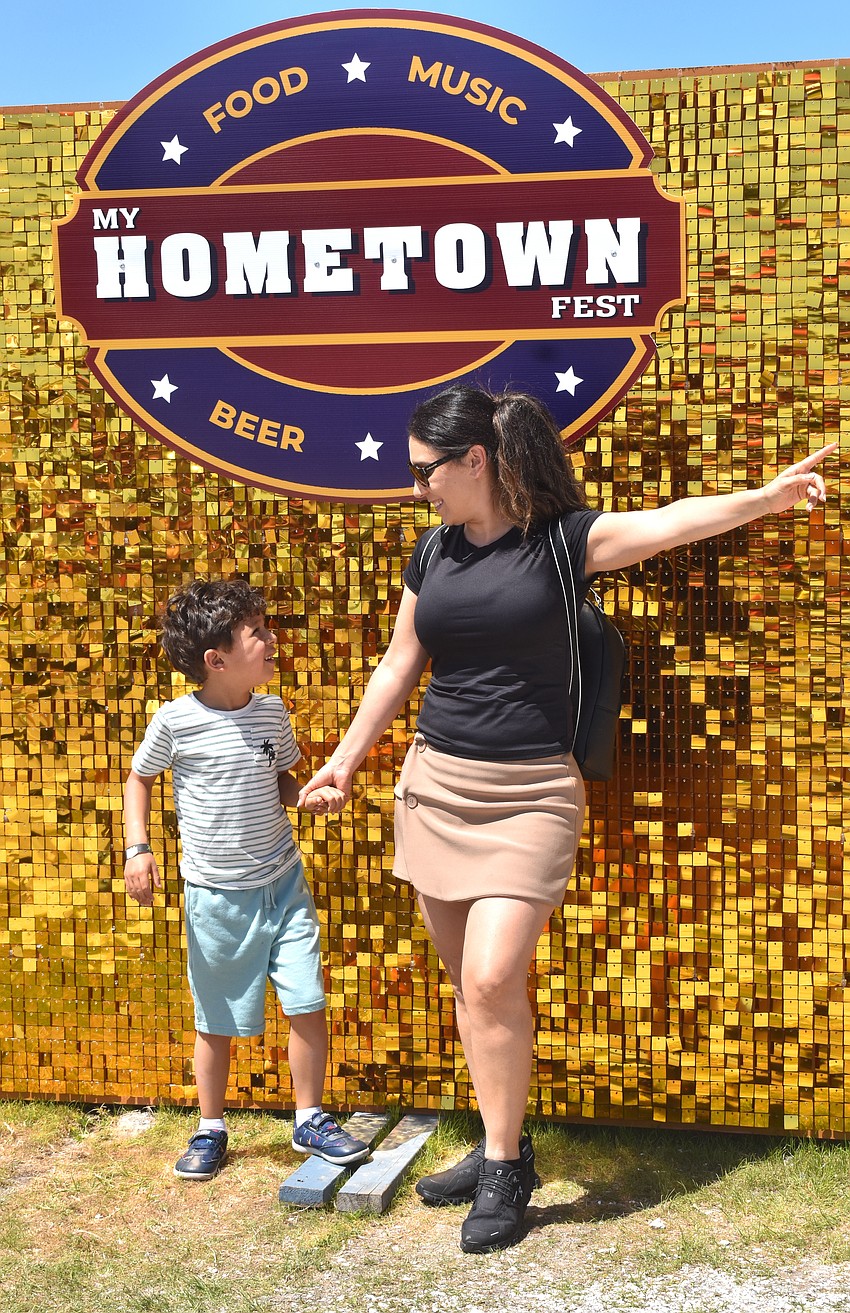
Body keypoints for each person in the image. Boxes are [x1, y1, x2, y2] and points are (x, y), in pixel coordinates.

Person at [298, 384, 836, 1252]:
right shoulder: (432, 554)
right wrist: (345, 759)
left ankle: (506, 1168)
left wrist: (767, 497)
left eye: (426, 471)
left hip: (532, 796)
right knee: (471, 992)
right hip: (436, 786)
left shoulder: (563, 542)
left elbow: (673, 520)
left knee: (488, 978)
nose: (417, 488)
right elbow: (400, 665)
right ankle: (499, 1137)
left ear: (477, 460)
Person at [123, 578, 370, 1180]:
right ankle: (211, 1127)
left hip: (283, 882)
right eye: (256, 633)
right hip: (216, 895)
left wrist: (307, 795)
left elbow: (283, 778)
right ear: (217, 660)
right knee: (217, 1017)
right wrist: (138, 848)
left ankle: (309, 1118)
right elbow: (139, 779)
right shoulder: (176, 722)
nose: (270, 638)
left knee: (307, 999)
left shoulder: (271, 711)